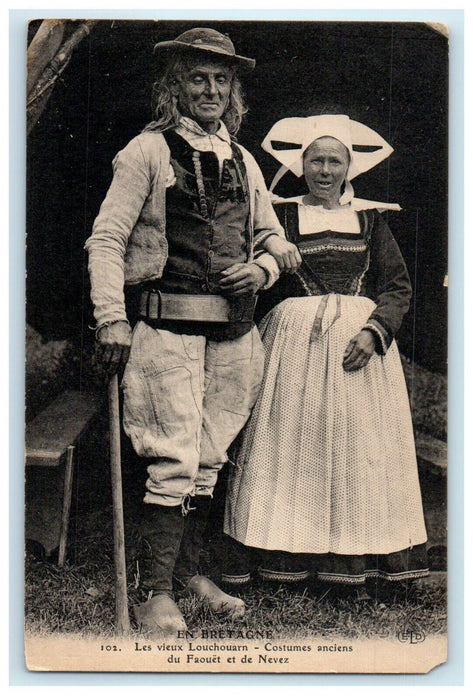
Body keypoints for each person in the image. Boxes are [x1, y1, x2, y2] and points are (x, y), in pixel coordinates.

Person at [85, 28, 300, 634]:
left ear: (234, 90)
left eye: (221, 79)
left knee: (209, 457)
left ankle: (191, 576)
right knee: (173, 459)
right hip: (165, 333)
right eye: (198, 77)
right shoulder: (146, 153)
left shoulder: (244, 159)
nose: (210, 89)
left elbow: (276, 240)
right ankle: (154, 591)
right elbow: (107, 240)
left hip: (234, 336)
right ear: (174, 85)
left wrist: (261, 267)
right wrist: (111, 319)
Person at [222, 115, 429, 598]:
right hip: (294, 349)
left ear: (349, 167)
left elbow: (397, 287)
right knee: (292, 450)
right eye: (316, 159)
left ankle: (357, 568)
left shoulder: (372, 220)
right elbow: (264, 271)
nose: (325, 169)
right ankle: (286, 566)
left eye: (335, 160)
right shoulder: (281, 216)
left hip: (360, 351)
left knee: (359, 451)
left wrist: (375, 331)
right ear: (301, 163)